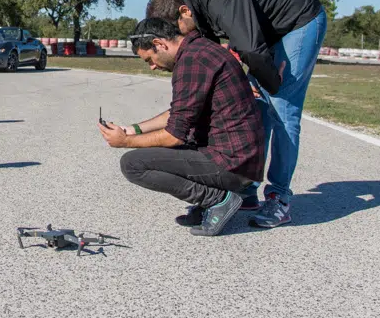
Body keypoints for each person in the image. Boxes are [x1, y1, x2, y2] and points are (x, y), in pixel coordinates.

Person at [146, 0, 327, 228]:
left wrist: (271, 84)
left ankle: (279, 197)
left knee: (282, 108)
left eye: (177, 31)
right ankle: (245, 188)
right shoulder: (196, 5)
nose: (180, 39)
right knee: (254, 108)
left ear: (184, 11)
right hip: (266, 33)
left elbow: (251, 48)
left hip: (300, 21)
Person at [99, 17, 265, 236]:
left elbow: (174, 135)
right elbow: (180, 112)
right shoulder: (199, 51)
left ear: (159, 44)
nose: (153, 66)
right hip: (240, 159)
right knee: (172, 146)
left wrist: (126, 142)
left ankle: (217, 200)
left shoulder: (191, 62)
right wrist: (135, 129)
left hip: (233, 163)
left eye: (150, 59)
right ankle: (212, 200)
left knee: (133, 164)